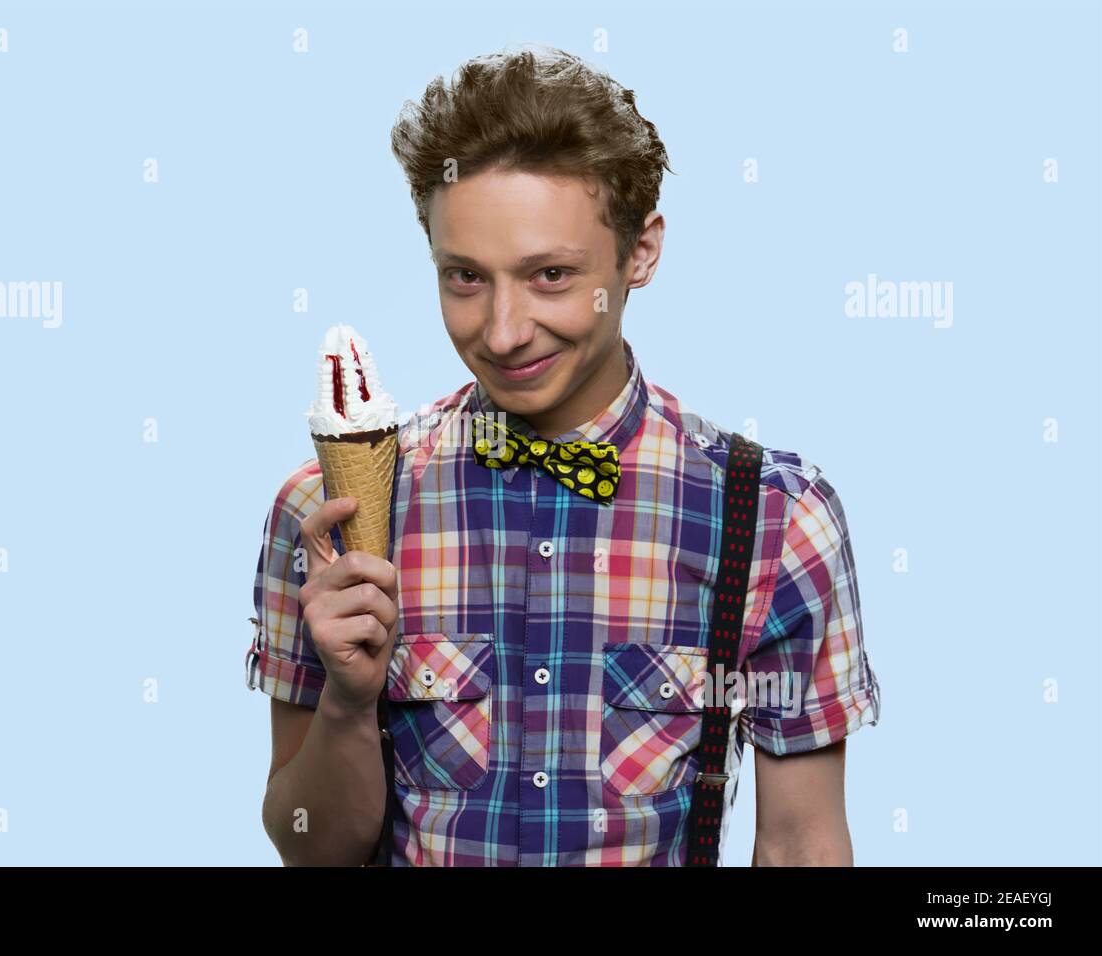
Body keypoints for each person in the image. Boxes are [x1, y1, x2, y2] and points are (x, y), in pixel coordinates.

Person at [245, 44, 881, 866]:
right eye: (465, 277)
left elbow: (802, 844)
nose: (503, 332)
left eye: (550, 275)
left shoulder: (772, 517)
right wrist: (345, 702)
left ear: (640, 253)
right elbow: (311, 849)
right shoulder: (327, 516)